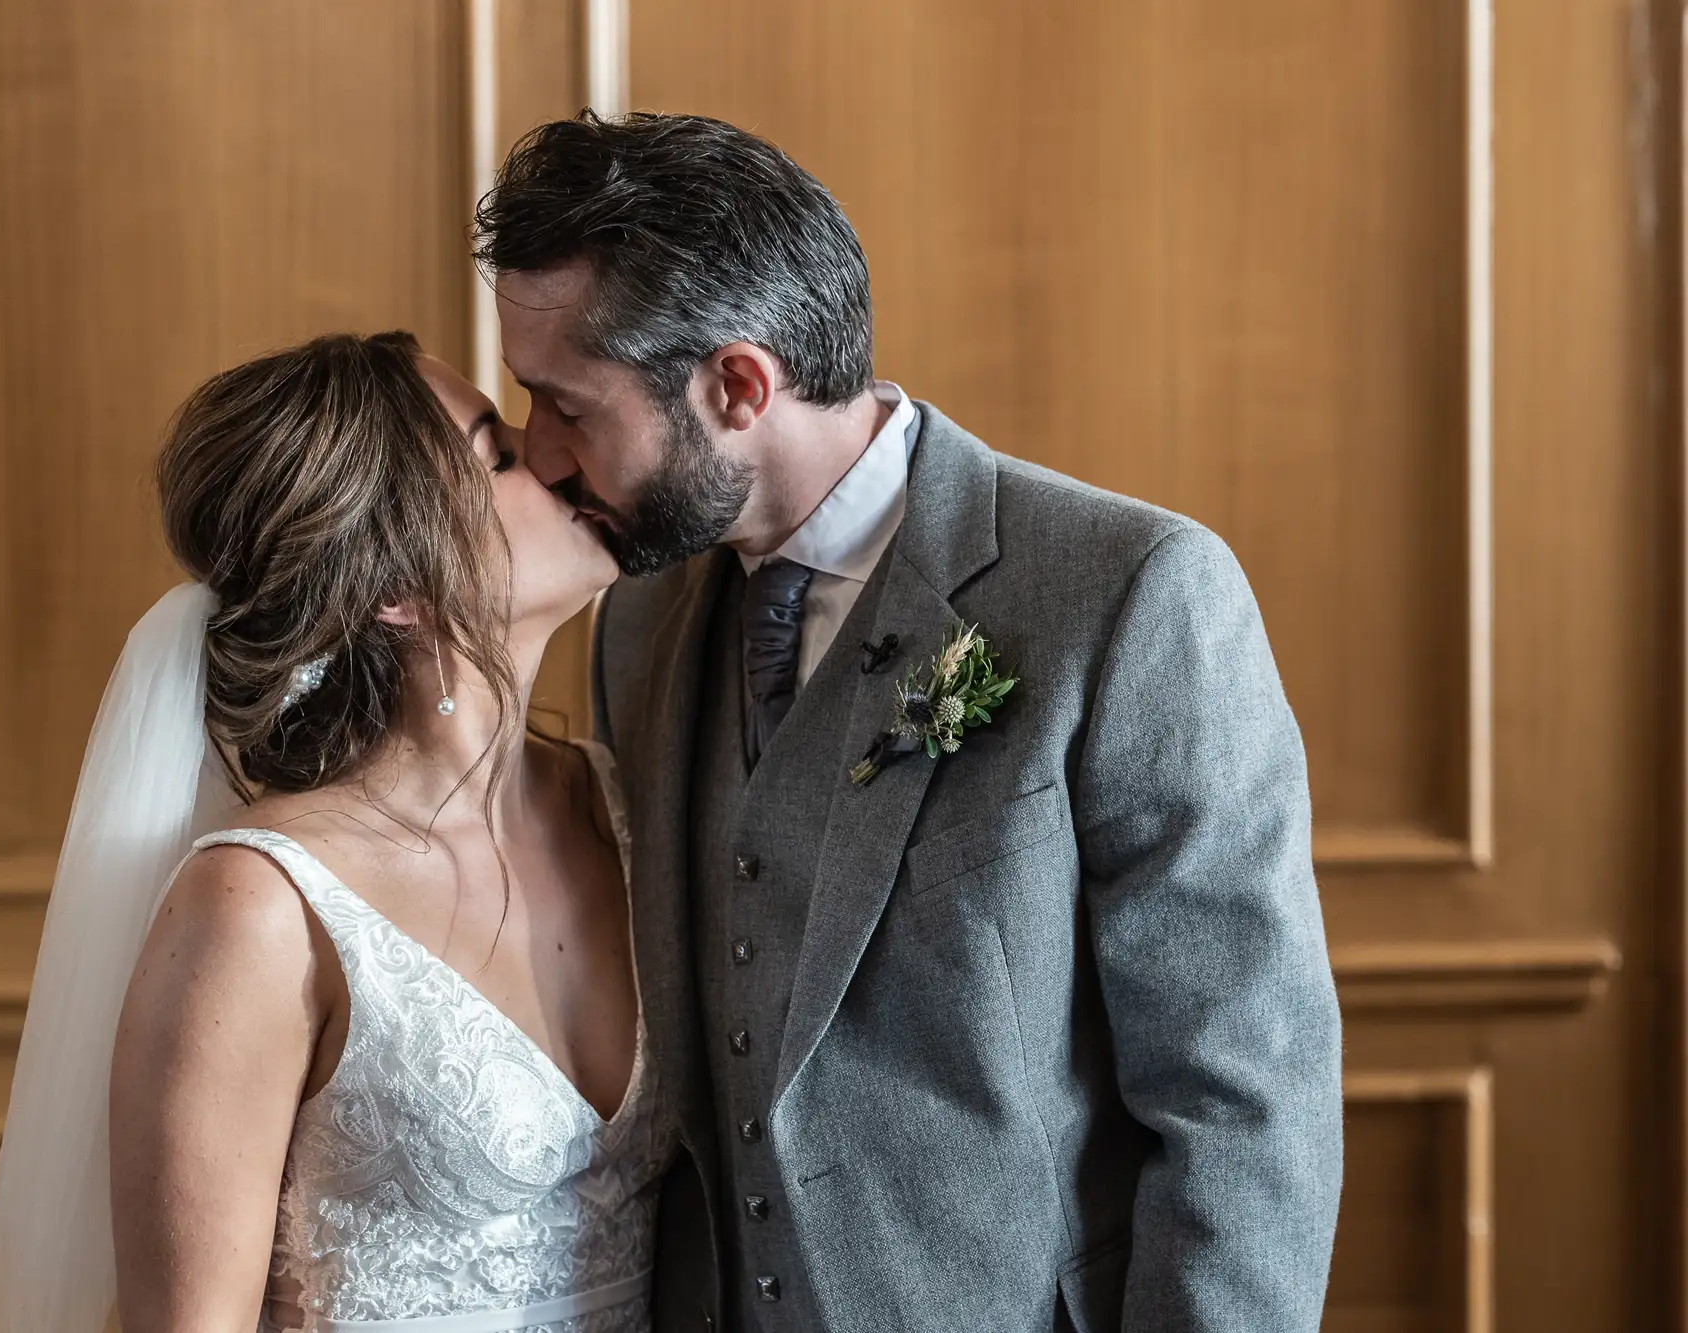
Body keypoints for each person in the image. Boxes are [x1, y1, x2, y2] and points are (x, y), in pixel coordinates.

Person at [476, 111, 1344, 1332]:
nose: (540, 452)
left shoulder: (1131, 593)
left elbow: (1244, 1103)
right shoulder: (637, 620)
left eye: (565, 403)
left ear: (737, 384)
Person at [0, 332, 672, 1333]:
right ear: (396, 584)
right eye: (496, 455)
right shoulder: (260, 907)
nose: (552, 450)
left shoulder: (623, 808)